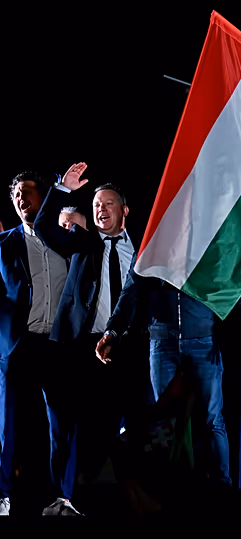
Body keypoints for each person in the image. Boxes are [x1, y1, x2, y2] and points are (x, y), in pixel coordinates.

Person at [33, 163, 151, 505]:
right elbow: (43, 226)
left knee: (135, 427)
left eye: (108, 203)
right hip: (84, 348)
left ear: (124, 210)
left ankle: (132, 499)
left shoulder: (144, 248)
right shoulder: (82, 243)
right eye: (96, 204)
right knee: (88, 430)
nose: (100, 209)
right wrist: (63, 191)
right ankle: (83, 503)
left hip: (132, 349)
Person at [95, 263, 241, 491]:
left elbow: (233, 286)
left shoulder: (205, 242)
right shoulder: (153, 240)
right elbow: (130, 292)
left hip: (203, 342)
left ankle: (222, 490)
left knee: (211, 419)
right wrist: (112, 332)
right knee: (165, 423)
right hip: (162, 343)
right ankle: (169, 490)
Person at [1, 171, 79, 516]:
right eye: (16, 194)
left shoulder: (64, 240)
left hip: (58, 345)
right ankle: (2, 496)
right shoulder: (3, 245)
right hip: (18, 345)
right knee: (6, 423)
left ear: (44, 198)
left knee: (63, 424)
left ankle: (61, 498)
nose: (21, 199)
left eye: (28, 192)